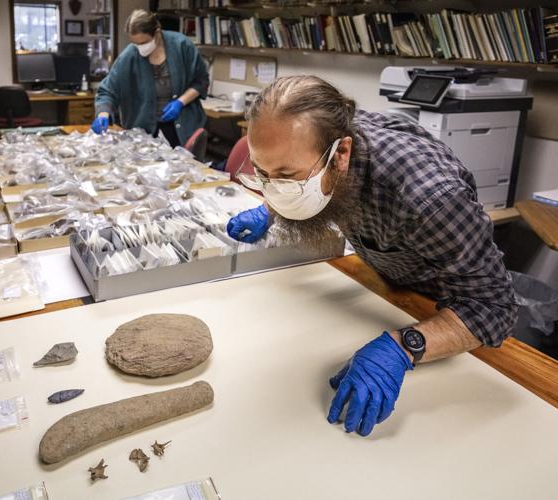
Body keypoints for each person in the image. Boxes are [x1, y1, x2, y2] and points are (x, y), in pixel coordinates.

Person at [227, 75, 517, 437]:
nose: (274, 185)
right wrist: (274, 207)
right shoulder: (322, 144)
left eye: (288, 177)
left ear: (342, 155)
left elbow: (494, 307)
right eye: (263, 174)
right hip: (387, 285)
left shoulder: (427, 197)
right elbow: (291, 168)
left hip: (442, 308)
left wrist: (404, 347)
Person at [92, 9, 209, 148]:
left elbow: (201, 81)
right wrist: (103, 114)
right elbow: (108, 90)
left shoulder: (181, 46)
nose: (140, 48)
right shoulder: (129, 56)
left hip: (183, 127)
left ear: (157, 33)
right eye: (136, 43)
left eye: (144, 42)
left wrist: (180, 102)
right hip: (144, 131)